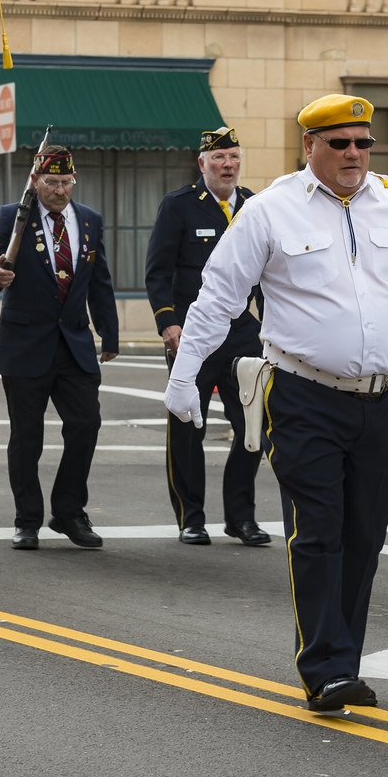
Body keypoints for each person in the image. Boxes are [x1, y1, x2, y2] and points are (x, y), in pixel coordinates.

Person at [164, 94, 388, 713]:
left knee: (364, 535)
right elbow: (219, 294)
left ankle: (343, 662)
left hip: (380, 400)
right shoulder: (270, 209)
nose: (354, 154)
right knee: (317, 530)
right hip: (301, 394)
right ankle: (326, 670)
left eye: (363, 143)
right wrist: (185, 373)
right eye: (340, 144)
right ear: (309, 147)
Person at [0, 145, 119, 550]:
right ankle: (27, 520)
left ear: (74, 180)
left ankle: (69, 511)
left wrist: (109, 333)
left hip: (74, 344)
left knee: (86, 425)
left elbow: (99, 280)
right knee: (28, 437)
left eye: (66, 182)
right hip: (25, 344)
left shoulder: (89, 220)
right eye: (52, 182)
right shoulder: (12, 217)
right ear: (35, 180)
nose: (59, 190)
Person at [145, 126, 269, 547]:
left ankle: (241, 517)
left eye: (233, 157)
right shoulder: (179, 206)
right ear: (202, 164)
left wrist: (274, 328)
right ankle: (191, 517)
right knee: (186, 428)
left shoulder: (254, 205)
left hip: (242, 335)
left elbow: (269, 277)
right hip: (192, 334)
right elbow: (157, 272)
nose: (227, 165)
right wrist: (168, 323)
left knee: (253, 426)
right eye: (218, 158)